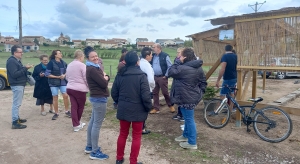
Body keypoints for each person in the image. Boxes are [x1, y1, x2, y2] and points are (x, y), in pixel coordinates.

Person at [111, 51, 152, 164]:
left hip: (124, 108)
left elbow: (114, 92)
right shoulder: (142, 76)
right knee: (136, 136)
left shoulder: (120, 75)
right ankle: (133, 161)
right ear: (137, 62)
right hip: (138, 110)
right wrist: (148, 107)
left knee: (123, 134)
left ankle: (119, 159)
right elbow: (146, 96)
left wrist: (119, 102)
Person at [168, 48, 207, 150]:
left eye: (180, 56)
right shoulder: (197, 67)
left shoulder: (183, 68)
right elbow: (203, 82)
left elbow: (171, 71)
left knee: (189, 119)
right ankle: (185, 135)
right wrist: (200, 93)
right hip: (189, 97)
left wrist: (177, 61)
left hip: (186, 97)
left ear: (185, 57)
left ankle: (192, 142)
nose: (178, 57)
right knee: (187, 118)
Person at [84, 46, 110, 160]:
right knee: (96, 124)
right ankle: (94, 151)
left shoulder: (93, 67)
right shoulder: (93, 69)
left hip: (96, 97)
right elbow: (104, 84)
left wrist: (105, 77)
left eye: (96, 56)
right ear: (88, 58)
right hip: (99, 98)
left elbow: (103, 79)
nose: (95, 58)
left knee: (93, 122)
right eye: (92, 57)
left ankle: (89, 146)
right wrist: (106, 78)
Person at [6, 45, 34, 129]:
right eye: (20, 52)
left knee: (18, 103)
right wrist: (25, 68)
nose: (22, 53)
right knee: (16, 103)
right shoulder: (11, 61)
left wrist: (25, 69)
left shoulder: (16, 60)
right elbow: (14, 74)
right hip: (17, 84)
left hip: (20, 84)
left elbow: (18, 71)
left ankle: (17, 118)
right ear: (15, 53)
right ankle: (15, 122)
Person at [66, 50, 89, 132]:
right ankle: (77, 123)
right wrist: (89, 87)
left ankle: (76, 124)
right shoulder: (82, 65)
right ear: (80, 57)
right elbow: (86, 78)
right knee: (80, 106)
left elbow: (67, 77)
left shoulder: (69, 65)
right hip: (80, 89)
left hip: (70, 88)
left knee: (74, 106)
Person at [45, 50, 70, 120]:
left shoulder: (63, 62)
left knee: (65, 95)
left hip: (63, 81)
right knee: (55, 97)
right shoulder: (51, 63)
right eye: (59, 53)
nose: (61, 54)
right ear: (55, 55)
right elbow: (47, 74)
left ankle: (67, 111)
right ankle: (56, 113)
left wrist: (64, 75)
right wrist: (57, 77)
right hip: (53, 82)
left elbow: (67, 70)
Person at [150, 43, 174, 114]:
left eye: (153, 47)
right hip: (154, 77)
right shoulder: (153, 56)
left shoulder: (165, 55)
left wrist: (166, 75)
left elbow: (170, 66)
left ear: (158, 48)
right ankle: (156, 108)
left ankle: (170, 105)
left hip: (162, 77)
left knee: (165, 92)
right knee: (155, 93)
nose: (152, 48)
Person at [214, 45, 237, 113]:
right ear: (231, 49)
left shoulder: (225, 56)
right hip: (234, 77)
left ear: (225, 49)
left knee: (222, 94)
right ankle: (230, 109)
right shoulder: (236, 56)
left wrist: (218, 80)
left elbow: (222, 69)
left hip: (227, 78)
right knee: (232, 93)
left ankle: (217, 110)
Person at [139, 47, 155, 135]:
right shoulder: (147, 65)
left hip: (139, 89)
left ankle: (141, 126)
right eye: (151, 55)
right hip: (147, 89)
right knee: (145, 108)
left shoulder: (139, 63)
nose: (152, 57)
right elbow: (151, 79)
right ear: (147, 55)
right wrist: (153, 87)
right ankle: (142, 128)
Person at [172, 47, 185, 121]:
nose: (177, 54)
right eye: (177, 52)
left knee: (181, 99)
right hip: (176, 81)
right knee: (178, 98)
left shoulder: (183, 61)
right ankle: (179, 114)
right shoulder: (176, 60)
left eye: (179, 52)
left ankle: (182, 115)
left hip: (181, 82)